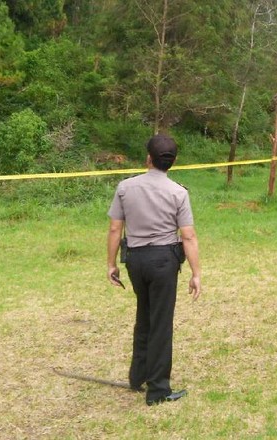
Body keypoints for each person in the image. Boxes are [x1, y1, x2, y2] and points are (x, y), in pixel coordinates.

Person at [106, 134, 202, 405]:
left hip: (135, 260)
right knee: (160, 322)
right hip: (163, 261)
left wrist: (111, 264)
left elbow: (115, 228)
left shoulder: (125, 187)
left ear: (148, 157)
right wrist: (196, 274)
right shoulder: (178, 192)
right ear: (173, 162)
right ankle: (158, 389)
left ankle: (138, 376)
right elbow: (188, 236)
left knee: (145, 315)